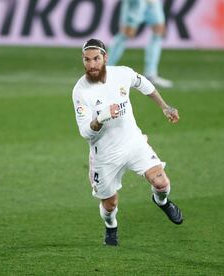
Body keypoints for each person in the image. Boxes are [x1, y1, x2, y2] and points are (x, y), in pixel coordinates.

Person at [72, 38, 183, 246]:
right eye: (87, 60)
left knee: (161, 183)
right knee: (110, 204)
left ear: (105, 57)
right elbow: (85, 132)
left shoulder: (122, 73)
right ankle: (111, 226)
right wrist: (101, 118)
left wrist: (165, 107)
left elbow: (145, 85)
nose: (92, 64)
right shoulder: (81, 91)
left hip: (133, 143)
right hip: (105, 155)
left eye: (96, 59)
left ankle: (162, 202)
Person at [108, 0, 173, 88]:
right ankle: (105, 70)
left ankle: (151, 74)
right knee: (126, 33)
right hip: (137, 2)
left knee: (159, 32)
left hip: (153, 3)